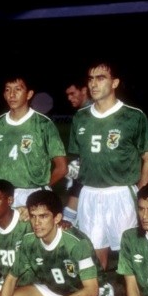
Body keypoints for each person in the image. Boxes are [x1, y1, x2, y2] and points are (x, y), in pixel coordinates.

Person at [67, 60, 148, 271]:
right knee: (93, 257)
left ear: (115, 82)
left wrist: (141, 196)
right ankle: (101, 294)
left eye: (101, 78)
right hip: (89, 194)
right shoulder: (80, 118)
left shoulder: (133, 116)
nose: (93, 84)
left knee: (133, 256)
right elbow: (80, 163)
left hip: (121, 193)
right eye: (90, 79)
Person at [0, 73, 67, 208]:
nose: (12, 94)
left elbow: (62, 168)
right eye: (8, 90)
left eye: (18, 89)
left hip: (35, 193)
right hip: (6, 194)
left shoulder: (43, 124)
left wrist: (42, 189)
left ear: (29, 94)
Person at [63, 77, 93, 225]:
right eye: (67, 95)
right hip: (85, 169)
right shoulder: (81, 114)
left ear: (84, 90)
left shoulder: (91, 113)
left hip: (95, 173)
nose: (69, 98)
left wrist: (79, 164)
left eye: (73, 93)